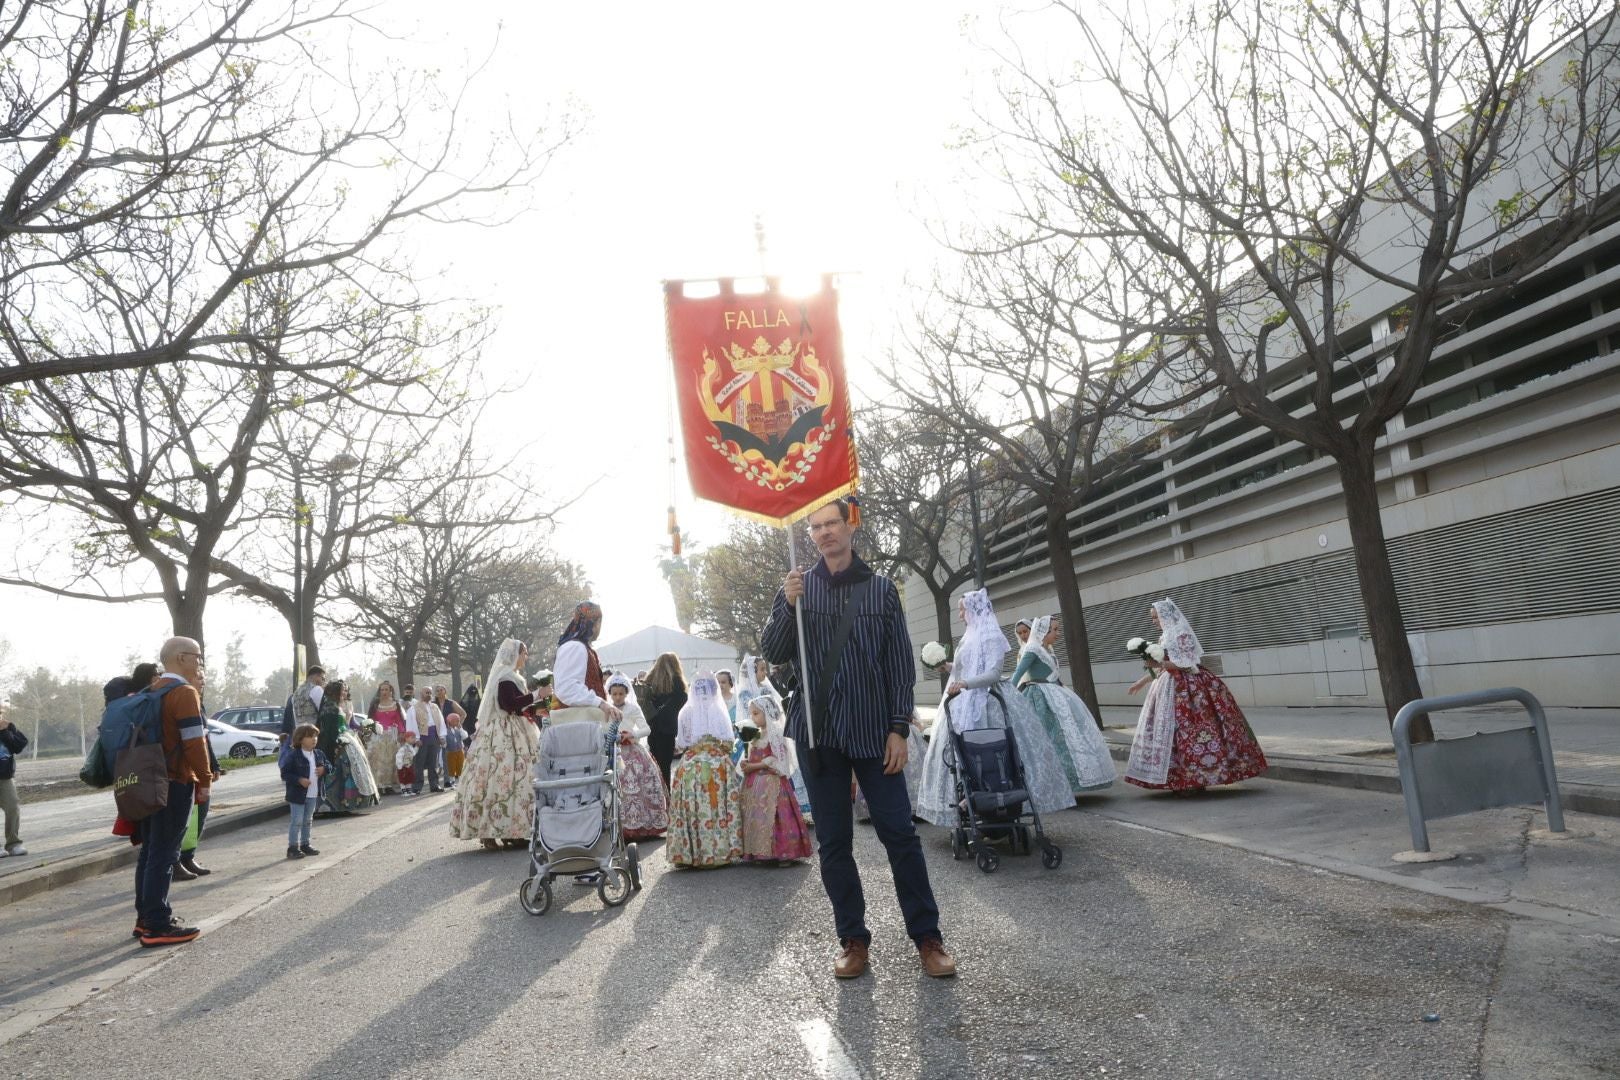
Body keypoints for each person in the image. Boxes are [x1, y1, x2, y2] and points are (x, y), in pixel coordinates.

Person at [761, 497, 955, 980]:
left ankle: (927, 937)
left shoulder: (882, 591)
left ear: (851, 528)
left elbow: (898, 667)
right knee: (834, 842)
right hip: (819, 732)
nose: (824, 533)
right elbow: (774, 651)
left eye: (832, 524)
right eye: (816, 528)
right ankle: (852, 939)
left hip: (873, 732)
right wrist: (787, 606)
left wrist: (898, 728)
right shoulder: (798, 588)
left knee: (900, 836)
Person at [916, 589, 1077, 829]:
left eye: (962, 609)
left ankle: (998, 799)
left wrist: (966, 684)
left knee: (998, 754)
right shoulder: (968, 636)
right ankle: (968, 800)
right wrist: (946, 667)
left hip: (988, 701)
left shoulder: (991, 636)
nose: (960, 615)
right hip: (961, 700)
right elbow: (966, 667)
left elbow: (991, 673)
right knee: (961, 753)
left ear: (974, 609)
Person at [1125, 599, 1268, 793]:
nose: (1154, 621)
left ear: (1166, 615)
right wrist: (1142, 682)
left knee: (1192, 728)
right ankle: (1179, 778)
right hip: (1168, 686)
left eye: (1155, 617)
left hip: (1191, 689)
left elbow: (1188, 663)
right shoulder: (1164, 637)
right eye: (1152, 618)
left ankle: (1197, 778)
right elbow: (1162, 667)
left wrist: (1160, 665)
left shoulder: (1182, 634)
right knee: (1171, 732)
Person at [132, 637, 212, 947]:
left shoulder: (151, 691)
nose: (200, 663)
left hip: (148, 781)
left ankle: (145, 918)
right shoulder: (183, 693)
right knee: (165, 854)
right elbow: (194, 742)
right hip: (176, 781)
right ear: (181, 658)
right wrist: (204, 779)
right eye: (197, 657)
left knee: (150, 852)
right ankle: (157, 924)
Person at [450, 638, 542, 851]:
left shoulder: (513, 677)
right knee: (498, 777)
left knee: (517, 780)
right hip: (502, 732)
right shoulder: (505, 677)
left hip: (516, 729)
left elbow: (519, 707)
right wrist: (537, 694)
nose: (525, 657)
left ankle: (515, 831)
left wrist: (537, 707)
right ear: (514, 655)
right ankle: (489, 830)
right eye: (524, 653)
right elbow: (508, 704)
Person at [1012, 615, 1117, 795]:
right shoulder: (1032, 649)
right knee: (1047, 739)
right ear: (1044, 631)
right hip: (1039, 698)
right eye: (1055, 630)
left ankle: (1069, 780)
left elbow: (1054, 676)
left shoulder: (1047, 650)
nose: (1058, 633)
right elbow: (1018, 674)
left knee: (1065, 738)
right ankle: (1050, 784)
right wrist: (1009, 696)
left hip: (1056, 695)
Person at [665, 672, 742, 869]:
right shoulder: (718, 709)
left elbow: (682, 744)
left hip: (690, 765)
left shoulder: (685, 712)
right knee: (716, 806)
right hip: (716, 764)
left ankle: (688, 853)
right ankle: (718, 851)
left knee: (690, 805)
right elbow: (728, 741)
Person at [737, 696, 812, 865]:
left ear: (767, 713)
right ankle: (759, 852)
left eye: (756, 713)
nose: (753, 717)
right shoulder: (756, 733)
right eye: (751, 714)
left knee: (776, 815)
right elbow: (752, 754)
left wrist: (755, 766)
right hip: (755, 782)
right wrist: (746, 762)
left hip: (771, 781)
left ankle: (783, 852)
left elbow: (777, 758)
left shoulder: (776, 732)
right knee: (756, 815)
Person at [607, 672, 668, 840]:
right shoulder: (607, 709)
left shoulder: (633, 708)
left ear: (627, 693)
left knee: (643, 787)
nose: (618, 697)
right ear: (610, 694)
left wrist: (631, 733)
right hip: (615, 753)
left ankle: (645, 826)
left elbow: (646, 728)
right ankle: (624, 827)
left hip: (634, 752)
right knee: (620, 790)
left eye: (621, 693)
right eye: (614, 694)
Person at [173, 669, 222, 880]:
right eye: (199, 677)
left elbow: (204, 741)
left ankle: (188, 856)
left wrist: (214, 765)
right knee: (184, 820)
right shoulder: (181, 698)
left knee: (199, 817)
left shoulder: (198, 704)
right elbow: (191, 743)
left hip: (201, 769)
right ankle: (175, 861)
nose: (203, 681)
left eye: (204, 678)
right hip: (186, 772)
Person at [317, 680, 377, 812]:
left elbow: (346, 724)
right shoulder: (329, 707)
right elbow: (329, 731)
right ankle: (337, 804)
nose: (345, 693)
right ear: (334, 692)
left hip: (346, 738)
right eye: (342, 690)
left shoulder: (334, 705)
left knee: (351, 771)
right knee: (341, 772)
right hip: (337, 743)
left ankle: (349, 803)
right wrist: (335, 744)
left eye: (345, 690)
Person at [280, 723, 327, 859]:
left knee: (308, 820)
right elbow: (285, 773)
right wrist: (299, 779)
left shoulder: (318, 754)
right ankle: (293, 847)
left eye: (315, 736)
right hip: (297, 795)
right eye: (310, 737)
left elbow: (328, 765)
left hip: (312, 793)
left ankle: (305, 844)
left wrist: (324, 769)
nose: (314, 739)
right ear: (300, 739)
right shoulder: (293, 755)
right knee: (297, 820)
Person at [640, 651, 688, 786]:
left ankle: (655, 794)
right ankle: (666, 797)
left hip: (652, 729)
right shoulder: (678, 684)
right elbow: (683, 702)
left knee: (654, 764)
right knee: (665, 766)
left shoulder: (649, 683)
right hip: (668, 731)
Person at [365, 681, 408, 795]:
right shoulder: (375, 704)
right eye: (382, 690)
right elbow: (370, 720)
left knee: (391, 761)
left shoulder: (396, 704)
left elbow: (399, 720)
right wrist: (370, 731)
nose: (384, 692)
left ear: (390, 691)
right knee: (378, 761)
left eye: (386, 690)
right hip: (378, 737)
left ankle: (389, 786)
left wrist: (402, 732)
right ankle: (378, 786)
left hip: (392, 735)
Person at [0, 699, 29, 858]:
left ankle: (13, 844)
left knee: (12, 807)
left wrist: (6, 731)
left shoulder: (6, 728)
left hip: (5, 776)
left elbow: (18, 746)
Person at [412, 685, 447, 794]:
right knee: (419, 763)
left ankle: (434, 785)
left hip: (434, 737)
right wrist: (416, 738)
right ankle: (417, 787)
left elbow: (440, 721)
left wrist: (441, 736)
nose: (429, 695)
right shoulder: (414, 708)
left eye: (430, 693)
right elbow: (412, 724)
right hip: (422, 738)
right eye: (426, 692)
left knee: (433, 763)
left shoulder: (435, 707)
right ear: (421, 694)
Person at [283, 666, 326, 745]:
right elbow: (325, 712)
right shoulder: (317, 689)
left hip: (299, 735)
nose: (323, 682)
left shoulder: (296, 693)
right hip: (314, 735)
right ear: (315, 676)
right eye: (322, 678)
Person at [444, 712, 467, 789]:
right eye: (456, 721)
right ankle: (452, 782)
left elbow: (465, 736)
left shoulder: (459, 729)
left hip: (460, 751)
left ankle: (461, 781)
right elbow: (444, 741)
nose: (458, 722)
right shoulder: (445, 730)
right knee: (451, 767)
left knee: (460, 765)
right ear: (450, 721)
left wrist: (461, 728)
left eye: (458, 721)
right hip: (450, 752)